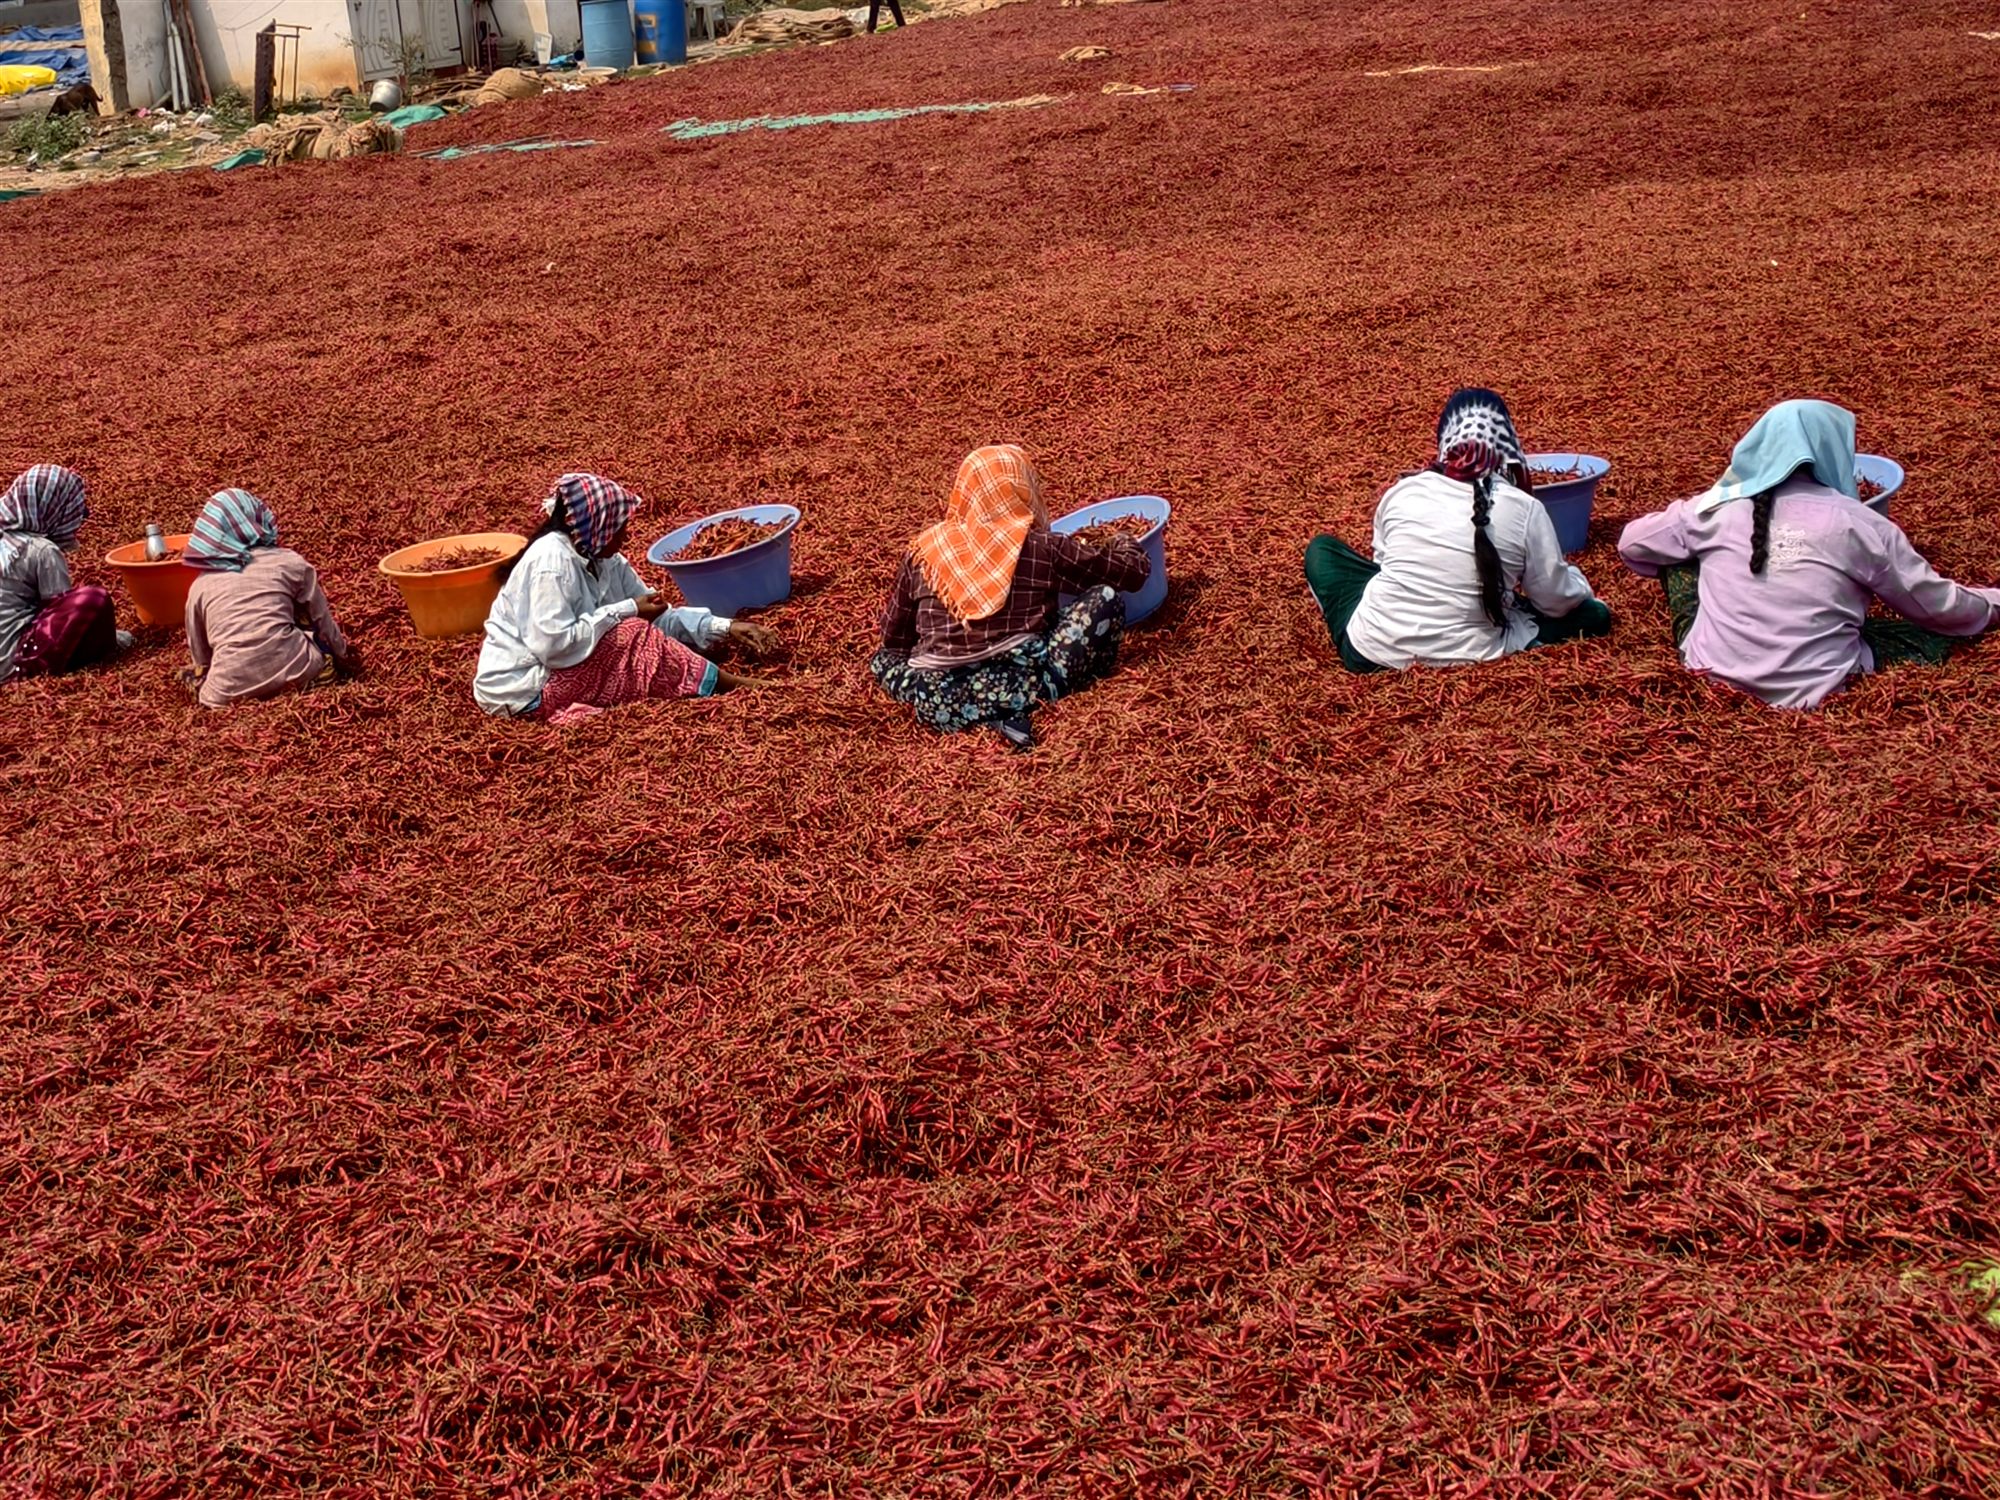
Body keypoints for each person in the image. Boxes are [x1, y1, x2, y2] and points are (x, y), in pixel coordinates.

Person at [1618, 399, 1999, 708]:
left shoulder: (1714, 510)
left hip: (1711, 676)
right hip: (1820, 688)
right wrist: (1992, 602)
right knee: (1927, 634)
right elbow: (1938, 607)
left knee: (1680, 553)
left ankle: (1721, 643)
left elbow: (1632, 543)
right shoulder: (1860, 523)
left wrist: (1718, 516)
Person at [1304, 388, 1613, 673]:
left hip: (1371, 653)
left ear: (1446, 443)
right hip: (1477, 653)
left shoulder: (1403, 490)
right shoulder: (1525, 508)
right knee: (1594, 616)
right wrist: (1577, 582)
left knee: (1323, 550)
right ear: (1508, 445)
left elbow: (1382, 566)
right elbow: (1555, 601)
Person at [870, 444, 1149, 746]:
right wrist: (1123, 540)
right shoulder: (1042, 546)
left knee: (882, 659)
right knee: (1105, 597)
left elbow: (894, 640)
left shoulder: (924, 551)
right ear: (1024, 489)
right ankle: (1013, 705)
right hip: (1027, 686)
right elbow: (1131, 573)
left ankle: (978, 709)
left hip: (938, 700)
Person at [474, 472, 776, 724]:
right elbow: (554, 647)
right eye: (619, 527)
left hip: (558, 669)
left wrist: (726, 627)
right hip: (524, 691)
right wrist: (627, 609)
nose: (626, 536)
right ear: (596, 526)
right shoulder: (551, 562)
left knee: (649, 637)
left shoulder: (605, 560)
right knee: (633, 633)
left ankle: (708, 678)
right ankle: (734, 685)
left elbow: (660, 616)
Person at [181, 488, 360, 708]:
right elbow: (322, 621)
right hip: (299, 673)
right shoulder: (289, 563)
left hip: (225, 694)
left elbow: (201, 657)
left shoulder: (199, 587)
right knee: (302, 616)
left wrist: (213, 674)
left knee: (198, 679)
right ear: (259, 520)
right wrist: (344, 660)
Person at [0, 464, 131, 684]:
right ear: (54, 508)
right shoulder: (41, 550)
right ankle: (28, 666)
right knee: (93, 599)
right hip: (12, 661)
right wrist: (110, 637)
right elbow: (57, 618)